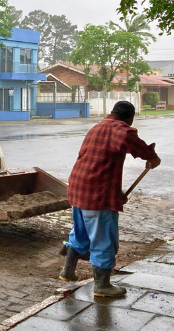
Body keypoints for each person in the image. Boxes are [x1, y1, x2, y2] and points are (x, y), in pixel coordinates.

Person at [59, 101, 161, 297]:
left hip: (79, 189)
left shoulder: (97, 127)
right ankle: (102, 286)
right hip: (97, 195)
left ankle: (68, 271)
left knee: (80, 233)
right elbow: (133, 142)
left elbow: (102, 161)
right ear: (130, 118)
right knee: (104, 239)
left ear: (112, 112)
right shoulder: (121, 129)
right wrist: (151, 156)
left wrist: (115, 194)